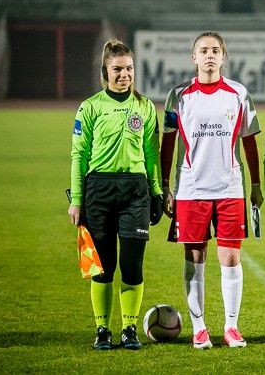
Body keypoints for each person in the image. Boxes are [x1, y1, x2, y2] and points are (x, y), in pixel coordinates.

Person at [160, 31, 263, 349]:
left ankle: (231, 327)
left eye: (215, 50)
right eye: (203, 50)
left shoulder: (238, 93)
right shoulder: (179, 95)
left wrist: (256, 184)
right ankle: (199, 328)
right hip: (191, 190)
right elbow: (168, 142)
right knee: (195, 258)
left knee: (231, 258)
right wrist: (165, 186)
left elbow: (249, 142)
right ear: (194, 58)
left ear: (223, 57)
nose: (209, 55)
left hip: (230, 188)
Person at [68, 38, 163, 350]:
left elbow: (152, 153)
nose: (125, 75)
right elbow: (79, 155)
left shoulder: (145, 107)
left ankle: (129, 329)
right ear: (105, 72)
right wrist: (77, 200)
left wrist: (156, 192)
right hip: (99, 191)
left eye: (129, 69)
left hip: (135, 192)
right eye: (118, 69)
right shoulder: (90, 107)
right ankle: (102, 330)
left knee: (132, 265)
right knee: (103, 267)